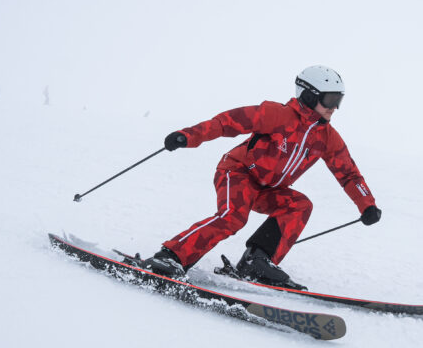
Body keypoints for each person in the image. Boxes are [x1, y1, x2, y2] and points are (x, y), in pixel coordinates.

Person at [143, 66, 381, 288]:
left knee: (299, 205)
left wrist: (367, 205)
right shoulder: (276, 115)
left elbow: (349, 174)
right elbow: (227, 122)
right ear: (309, 96)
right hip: (238, 172)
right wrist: (188, 136)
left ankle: (257, 262)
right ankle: (171, 257)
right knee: (233, 217)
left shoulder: (328, 138)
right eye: (330, 99)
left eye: (339, 100)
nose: (334, 107)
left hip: (269, 189)